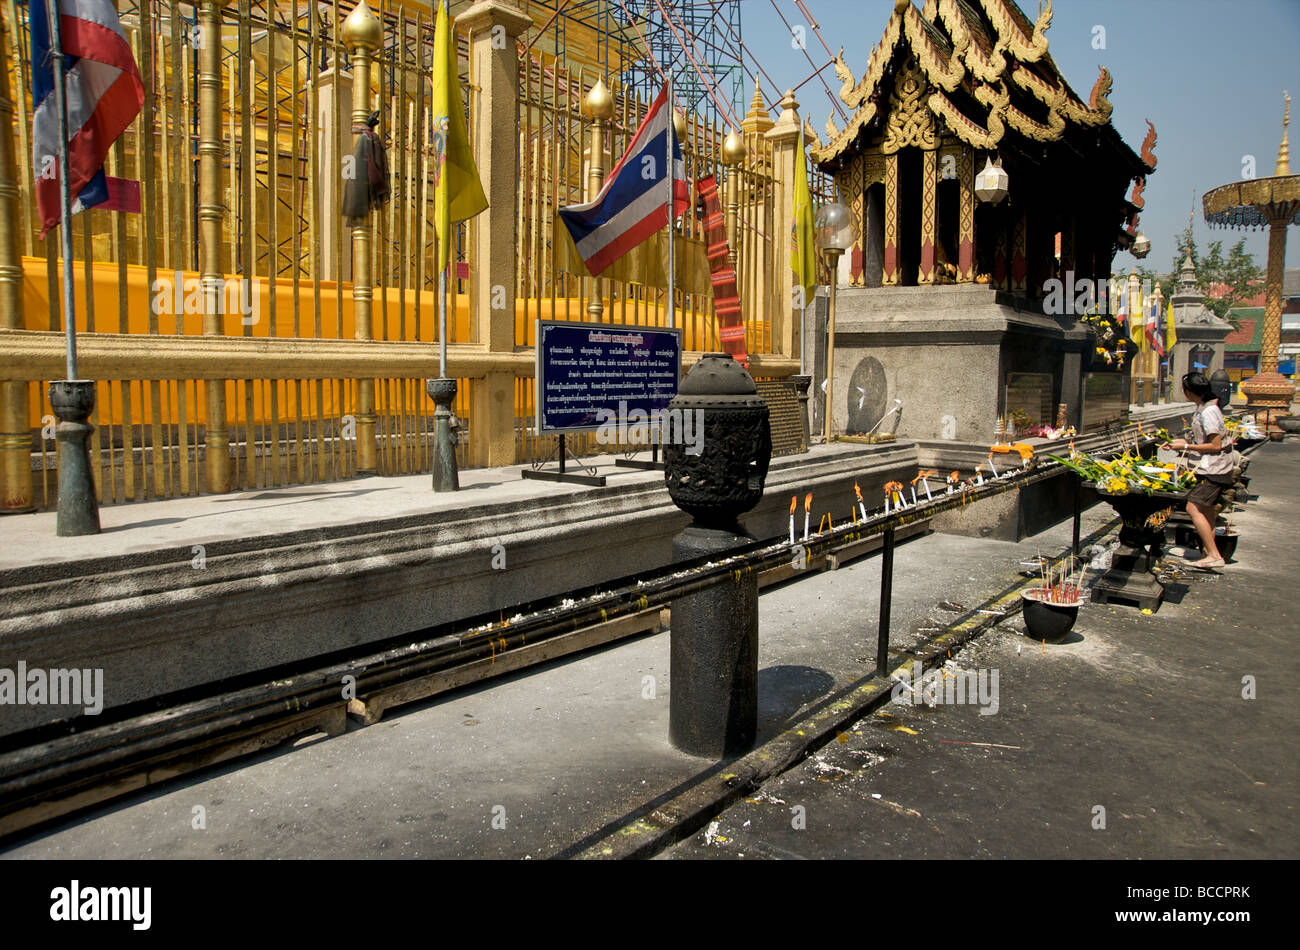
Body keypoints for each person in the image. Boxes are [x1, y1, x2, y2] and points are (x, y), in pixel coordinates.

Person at [1165, 372, 1233, 569]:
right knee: (1206, 509)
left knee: (1192, 507)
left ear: (1188, 391)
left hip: (1214, 468)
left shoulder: (1209, 412)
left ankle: (1214, 554)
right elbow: (1201, 440)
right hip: (1212, 466)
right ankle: (1207, 550)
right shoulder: (1204, 407)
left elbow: (1215, 445)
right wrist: (1180, 443)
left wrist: (1185, 448)